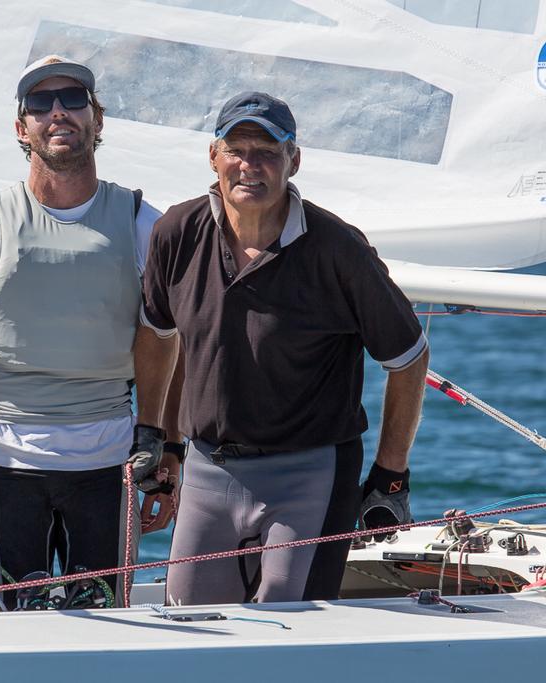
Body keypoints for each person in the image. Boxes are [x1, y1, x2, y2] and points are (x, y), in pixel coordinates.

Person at [132, 91, 429, 605]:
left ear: (295, 160)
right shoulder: (175, 233)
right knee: (189, 628)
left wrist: (390, 475)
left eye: (269, 152)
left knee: (292, 628)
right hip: (207, 471)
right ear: (213, 157)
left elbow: (408, 358)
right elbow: (163, 337)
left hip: (309, 475)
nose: (251, 166)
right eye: (237, 150)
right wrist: (161, 439)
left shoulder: (339, 250)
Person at [0, 55, 168, 609]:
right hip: (6, 464)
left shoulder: (144, 225)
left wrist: (170, 450)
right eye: (40, 104)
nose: (58, 113)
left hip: (110, 462)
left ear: (97, 118)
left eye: (73, 100)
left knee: (106, 619)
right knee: (9, 621)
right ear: (20, 127)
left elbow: (170, 345)